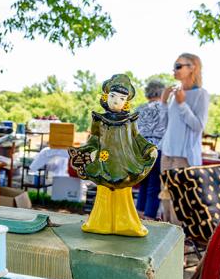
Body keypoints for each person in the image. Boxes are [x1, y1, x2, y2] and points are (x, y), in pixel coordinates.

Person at [68, 74, 157, 236]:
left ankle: (126, 224)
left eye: (121, 98)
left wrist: (148, 148)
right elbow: (94, 139)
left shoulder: (130, 121)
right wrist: (89, 151)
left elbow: (137, 138)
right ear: (106, 97)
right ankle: (100, 223)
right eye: (113, 96)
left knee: (123, 191)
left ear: (126, 102)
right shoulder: (99, 119)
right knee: (104, 191)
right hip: (104, 161)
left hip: (124, 163)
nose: (116, 101)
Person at [159, 53, 210, 223]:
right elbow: (165, 124)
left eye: (179, 66)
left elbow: (198, 126)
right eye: (174, 66)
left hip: (184, 157)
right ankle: (166, 240)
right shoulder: (174, 95)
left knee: (181, 202)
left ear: (193, 67)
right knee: (165, 199)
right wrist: (164, 102)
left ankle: (181, 240)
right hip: (167, 154)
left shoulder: (201, 94)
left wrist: (182, 104)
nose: (175, 69)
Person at [134, 79, 168, 219]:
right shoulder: (165, 108)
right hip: (159, 150)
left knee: (144, 185)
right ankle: (149, 218)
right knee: (154, 186)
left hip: (142, 151)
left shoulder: (139, 109)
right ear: (162, 92)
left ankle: (139, 215)